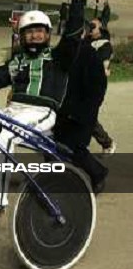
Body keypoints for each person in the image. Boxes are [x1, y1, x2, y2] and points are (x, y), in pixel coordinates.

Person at [0, 0, 85, 222]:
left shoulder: (58, 58)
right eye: (29, 31)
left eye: (39, 31)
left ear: (47, 34)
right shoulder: (17, 61)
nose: (34, 35)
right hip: (13, 111)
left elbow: (73, 37)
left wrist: (78, 2)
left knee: (3, 138)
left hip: (41, 113)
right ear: (22, 36)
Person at [53, 23, 108, 193]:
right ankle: (53, 180)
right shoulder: (61, 53)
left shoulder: (90, 55)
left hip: (81, 113)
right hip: (61, 110)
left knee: (75, 149)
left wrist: (84, 113)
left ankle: (98, 173)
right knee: (53, 145)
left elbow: (98, 88)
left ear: (83, 33)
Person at [88, 14, 116, 154]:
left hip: (94, 86)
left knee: (87, 116)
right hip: (78, 83)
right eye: (89, 25)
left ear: (101, 28)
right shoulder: (85, 41)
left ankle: (107, 143)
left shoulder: (104, 44)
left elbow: (100, 66)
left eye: (93, 26)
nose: (90, 29)